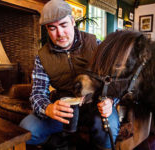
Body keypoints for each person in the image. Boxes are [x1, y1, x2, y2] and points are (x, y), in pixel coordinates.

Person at [19, 0, 119, 149]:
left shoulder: (95, 44)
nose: (59, 33)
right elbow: (37, 93)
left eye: (64, 25)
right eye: (52, 28)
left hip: (96, 106)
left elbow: (115, 80)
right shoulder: (42, 57)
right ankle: (59, 142)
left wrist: (111, 101)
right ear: (47, 29)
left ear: (72, 21)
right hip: (65, 111)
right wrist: (48, 108)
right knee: (26, 129)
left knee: (107, 128)